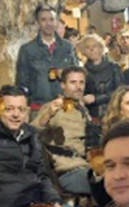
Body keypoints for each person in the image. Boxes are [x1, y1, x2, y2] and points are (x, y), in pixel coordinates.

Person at [30, 67, 96, 195]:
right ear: (63, 85)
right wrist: (48, 114)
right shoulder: (54, 107)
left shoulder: (82, 109)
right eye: (73, 82)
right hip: (70, 171)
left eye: (81, 82)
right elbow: (32, 131)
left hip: (89, 167)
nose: (78, 87)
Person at [16, 5, 79, 106]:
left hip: (65, 106)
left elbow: (77, 76)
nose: (48, 23)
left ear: (56, 22)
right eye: (43, 20)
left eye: (51, 19)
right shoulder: (27, 50)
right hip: (38, 107)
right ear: (37, 23)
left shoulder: (67, 47)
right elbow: (22, 83)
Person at [78, 34, 122, 119]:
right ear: (84, 52)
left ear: (101, 48)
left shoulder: (114, 68)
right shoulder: (83, 71)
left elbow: (121, 91)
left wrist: (96, 98)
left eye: (94, 46)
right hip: (92, 114)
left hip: (113, 113)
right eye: (87, 47)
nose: (91, 50)